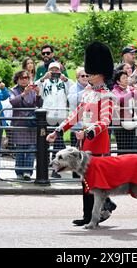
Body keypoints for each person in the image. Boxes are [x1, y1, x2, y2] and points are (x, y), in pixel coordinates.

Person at [46, 41, 117, 227]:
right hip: (85, 143)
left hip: (97, 143)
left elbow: (105, 120)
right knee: (85, 182)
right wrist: (58, 130)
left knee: (92, 182)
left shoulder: (106, 96)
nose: (88, 77)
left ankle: (98, 210)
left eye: (91, 73)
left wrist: (89, 132)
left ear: (100, 74)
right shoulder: (87, 93)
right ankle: (91, 213)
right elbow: (75, 115)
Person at [35, 61, 73, 178]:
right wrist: (43, 78)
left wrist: (66, 79)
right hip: (47, 115)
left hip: (61, 116)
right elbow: (34, 87)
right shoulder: (45, 81)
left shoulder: (64, 81)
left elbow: (73, 89)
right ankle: (43, 165)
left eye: (57, 70)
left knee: (59, 144)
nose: (55, 72)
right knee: (45, 142)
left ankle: (56, 168)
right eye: (52, 70)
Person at [9, 70, 43, 181]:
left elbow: (39, 104)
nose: (24, 80)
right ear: (17, 80)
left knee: (31, 149)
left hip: (31, 124)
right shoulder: (13, 90)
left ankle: (28, 172)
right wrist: (24, 94)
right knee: (20, 150)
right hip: (19, 124)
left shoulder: (33, 90)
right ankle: (19, 172)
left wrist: (38, 94)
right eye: (21, 78)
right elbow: (13, 102)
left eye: (26, 78)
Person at [112, 70, 137, 155]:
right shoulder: (115, 90)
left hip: (132, 122)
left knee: (132, 149)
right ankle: (121, 167)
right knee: (122, 150)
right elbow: (120, 99)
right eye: (124, 78)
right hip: (120, 124)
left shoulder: (130, 88)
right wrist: (132, 93)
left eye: (127, 77)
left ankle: (129, 167)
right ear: (118, 81)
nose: (126, 79)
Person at [68, 67, 90, 148]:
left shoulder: (93, 87)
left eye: (87, 76)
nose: (85, 78)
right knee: (74, 152)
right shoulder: (73, 88)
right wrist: (85, 91)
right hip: (76, 126)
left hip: (88, 126)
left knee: (87, 150)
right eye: (82, 76)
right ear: (77, 78)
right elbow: (72, 101)